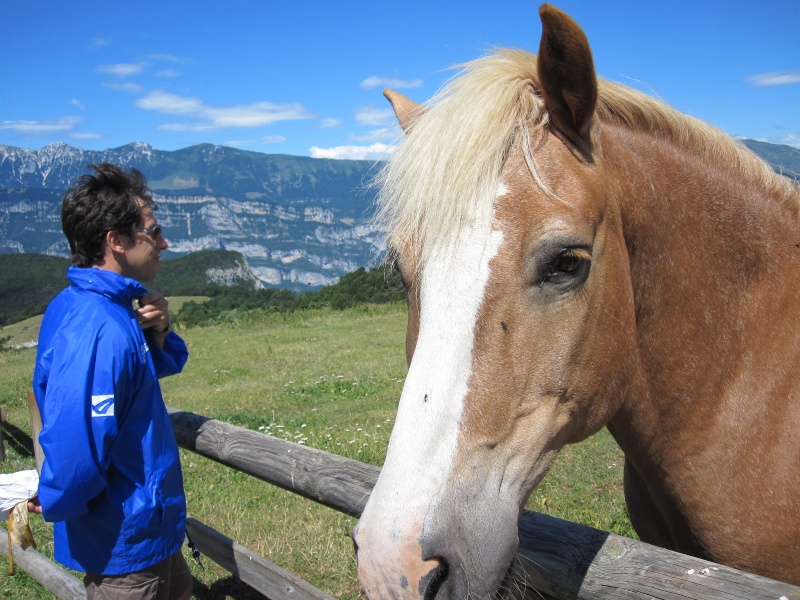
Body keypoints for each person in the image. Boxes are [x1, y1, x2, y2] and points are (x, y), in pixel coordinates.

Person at [31, 163, 193, 600]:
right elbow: (76, 442)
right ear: (116, 242)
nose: (164, 243)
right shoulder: (99, 328)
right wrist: (55, 498)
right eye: (153, 233)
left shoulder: (86, 307)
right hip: (125, 541)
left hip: (147, 530)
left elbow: (124, 383)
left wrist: (155, 334)